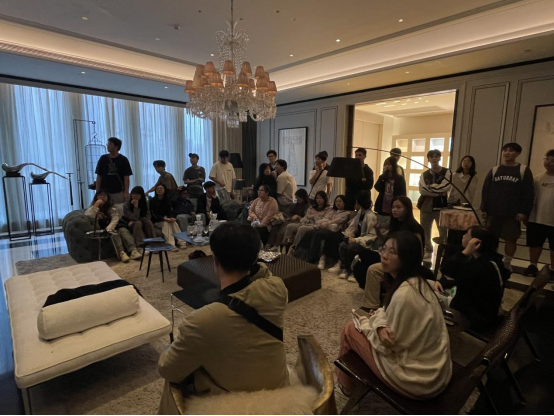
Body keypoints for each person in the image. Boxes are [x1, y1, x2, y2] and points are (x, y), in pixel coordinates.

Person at [158, 223, 289, 414]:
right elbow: (264, 273)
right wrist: (250, 260)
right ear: (256, 257)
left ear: (215, 259)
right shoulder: (277, 289)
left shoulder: (201, 321)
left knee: (177, 377)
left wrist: (168, 350)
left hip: (234, 404)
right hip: (277, 389)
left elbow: (168, 370)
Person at [337, 231, 452, 400]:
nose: (384, 255)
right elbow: (385, 311)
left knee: (350, 329)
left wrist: (368, 323)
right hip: (436, 372)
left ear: (407, 258)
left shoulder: (404, 294)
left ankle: (346, 388)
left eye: (392, 252)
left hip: (417, 380)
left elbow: (386, 346)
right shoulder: (419, 282)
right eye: (384, 249)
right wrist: (378, 324)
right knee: (368, 321)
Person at [437, 226, 511, 330]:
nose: (463, 236)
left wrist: (466, 251)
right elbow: (459, 278)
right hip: (479, 313)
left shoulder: (482, 266)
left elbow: (447, 270)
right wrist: (442, 282)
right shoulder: (489, 260)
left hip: (471, 319)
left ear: (476, 243)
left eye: (467, 234)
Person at [363, 196, 427, 310]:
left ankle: (371, 306)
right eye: (393, 207)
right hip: (392, 258)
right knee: (365, 256)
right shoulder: (396, 224)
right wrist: (377, 229)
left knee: (373, 270)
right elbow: (385, 239)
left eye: (398, 207)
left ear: (407, 209)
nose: (394, 210)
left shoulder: (414, 227)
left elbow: (419, 253)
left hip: (406, 264)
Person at [481, 143, 535, 271]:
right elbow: (486, 190)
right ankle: (491, 260)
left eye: (510, 151)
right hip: (494, 212)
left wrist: (524, 211)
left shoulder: (523, 170)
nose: (507, 153)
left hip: (512, 213)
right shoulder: (495, 170)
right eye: (505, 150)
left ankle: (507, 262)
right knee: (490, 238)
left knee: (511, 238)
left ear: (517, 153)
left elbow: (529, 193)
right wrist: (484, 208)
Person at [329, 191, 378, 282]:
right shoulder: (360, 213)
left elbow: (372, 235)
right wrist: (347, 236)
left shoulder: (370, 216)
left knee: (352, 248)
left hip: (366, 243)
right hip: (356, 239)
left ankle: (354, 271)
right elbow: (352, 226)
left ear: (359, 203)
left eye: (356, 202)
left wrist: (356, 240)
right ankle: (346, 268)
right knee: (343, 244)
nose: (355, 205)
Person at [294, 195, 351, 266]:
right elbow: (326, 218)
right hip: (325, 228)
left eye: (340, 201)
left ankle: (312, 258)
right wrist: (322, 222)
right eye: (336, 201)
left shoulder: (346, 213)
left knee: (318, 234)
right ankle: (299, 253)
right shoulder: (333, 211)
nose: (338, 203)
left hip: (335, 231)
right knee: (309, 232)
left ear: (344, 203)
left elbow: (337, 221)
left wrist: (327, 223)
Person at [85, 190, 141, 263]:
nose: (102, 197)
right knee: (114, 234)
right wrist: (96, 204)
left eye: (104, 196)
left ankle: (133, 250)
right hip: (104, 228)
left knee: (124, 231)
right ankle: (122, 253)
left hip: (115, 225)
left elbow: (115, 218)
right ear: (96, 197)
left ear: (108, 198)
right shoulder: (93, 207)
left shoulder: (112, 207)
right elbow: (89, 215)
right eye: (100, 195)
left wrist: (110, 228)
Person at [524, 149, 554, 279]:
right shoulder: (537, 178)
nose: (549, 162)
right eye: (547, 159)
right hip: (536, 217)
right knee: (535, 243)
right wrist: (526, 214)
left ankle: (553, 269)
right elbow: (529, 198)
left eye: (553, 160)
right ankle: (533, 265)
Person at [418, 149, 452, 262]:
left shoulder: (447, 172)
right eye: (431, 156)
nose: (434, 158)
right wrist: (438, 192)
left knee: (443, 230)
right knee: (425, 230)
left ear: (439, 158)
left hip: (441, 206)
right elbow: (422, 190)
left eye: (436, 156)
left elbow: (446, 186)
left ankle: (443, 250)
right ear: (428, 159)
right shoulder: (424, 174)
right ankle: (428, 249)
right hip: (425, 206)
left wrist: (431, 188)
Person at [95, 137, 133, 204]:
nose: (108, 146)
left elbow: (126, 177)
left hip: (118, 191)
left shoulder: (123, 159)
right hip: (104, 193)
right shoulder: (103, 158)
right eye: (108, 144)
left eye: (110, 144)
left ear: (116, 146)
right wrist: (97, 191)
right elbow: (99, 175)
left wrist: (126, 191)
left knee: (119, 209)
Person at [149, 184, 185, 251]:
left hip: (166, 219)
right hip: (156, 221)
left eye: (161, 188)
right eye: (158, 188)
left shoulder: (167, 200)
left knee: (173, 223)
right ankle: (170, 245)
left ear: (164, 190)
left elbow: (170, 211)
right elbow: (153, 215)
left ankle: (182, 242)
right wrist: (164, 219)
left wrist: (171, 217)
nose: (159, 190)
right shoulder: (152, 201)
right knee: (166, 224)